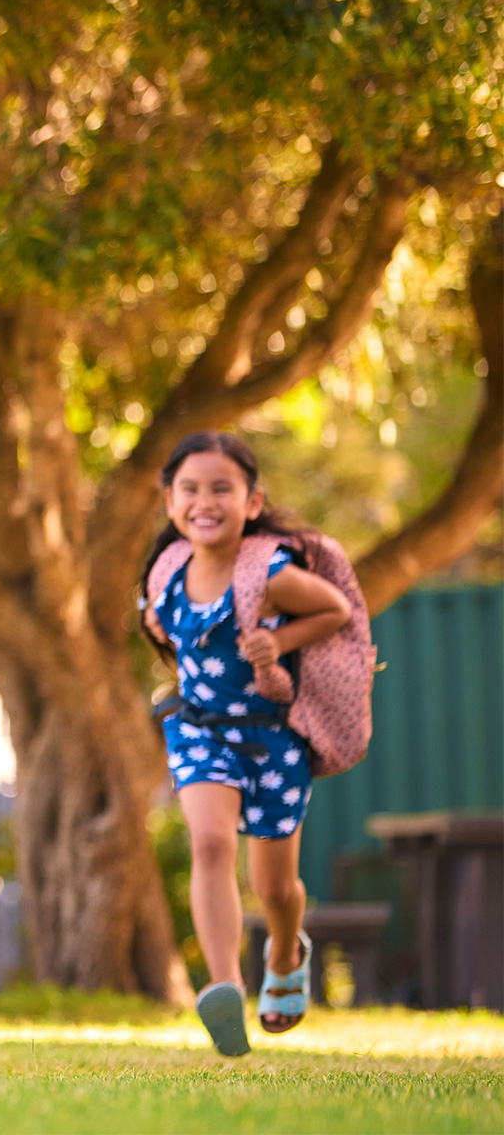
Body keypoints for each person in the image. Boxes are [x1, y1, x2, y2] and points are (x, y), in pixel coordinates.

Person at [140, 432, 351, 1057]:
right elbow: (165, 626)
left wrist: (280, 645)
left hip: (271, 738)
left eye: (222, 489)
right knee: (208, 843)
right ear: (171, 502)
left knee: (275, 886)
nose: (205, 501)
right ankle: (226, 986)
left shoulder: (269, 572)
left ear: (252, 502)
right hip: (200, 727)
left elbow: (335, 609)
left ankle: (286, 953)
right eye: (190, 489)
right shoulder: (167, 569)